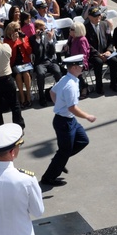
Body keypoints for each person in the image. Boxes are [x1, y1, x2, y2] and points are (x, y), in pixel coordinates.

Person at [41, 54, 96, 187]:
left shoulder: (67, 78)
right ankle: (48, 177)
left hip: (69, 120)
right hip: (64, 122)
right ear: (74, 67)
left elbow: (52, 92)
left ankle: (58, 161)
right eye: (81, 65)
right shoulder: (70, 84)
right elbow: (72, 108)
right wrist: (87, 116)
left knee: (83, 140)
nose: (83, 67)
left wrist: (58, 105)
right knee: (64, 151)